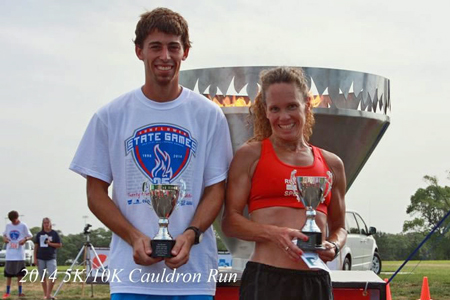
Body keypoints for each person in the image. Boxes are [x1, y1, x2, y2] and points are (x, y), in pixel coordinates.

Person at [69, 7, 232, 300]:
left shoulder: (209, 115)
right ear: (139, 51)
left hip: (193, 277)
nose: (165, 56)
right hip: (131, 278)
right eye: (155, 47)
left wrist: (191, 234)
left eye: (173, 47)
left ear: (186, 52)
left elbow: (216, 189)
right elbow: (95, 194)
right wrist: (134, 236)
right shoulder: (111, 115)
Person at [222, 67, 347, 300]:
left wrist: (334, 245)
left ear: (307, 105)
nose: (284, 117)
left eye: (291, 106)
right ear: (266, 112)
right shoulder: (250, 156)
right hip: (266, 280)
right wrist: (273, 234)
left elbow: (340, 226)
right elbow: (230, 222)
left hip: (316, 282)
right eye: (275, 109)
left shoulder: (332, 164)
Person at [2, 210, 33, 299]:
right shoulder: (8, 225)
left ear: (17, 218)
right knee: (9, 275)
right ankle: (7, 292)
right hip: (10, 254)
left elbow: (30, 235)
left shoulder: (23, 225)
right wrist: (5, 239)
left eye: (14, 220)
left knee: (20, 274)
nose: (13, 222)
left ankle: (20, 291)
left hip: (19, 254)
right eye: (12, 221)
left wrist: (25, 239)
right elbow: (4, 235)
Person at [33, 217, 62, 299]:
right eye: (44, 223)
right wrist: (35, 258)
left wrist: (50, 244)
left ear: (50, 224)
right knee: (42, 277)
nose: (46, 224)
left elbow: (59, 245)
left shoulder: (54, 233)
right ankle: (46, 295)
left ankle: (48, 294)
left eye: (47, 223)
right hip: (40, 257)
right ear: (43, 224)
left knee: (53, 276)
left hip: (51, 257)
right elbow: (36, 247)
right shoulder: (39, 234)